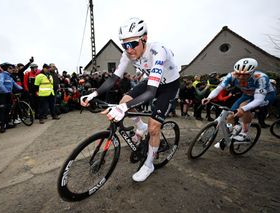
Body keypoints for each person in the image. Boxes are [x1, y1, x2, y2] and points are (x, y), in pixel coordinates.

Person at [80, 17, 180, 182]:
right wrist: (94, 94)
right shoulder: (127, 53)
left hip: (168, 86)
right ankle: (140, 128)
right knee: (123, 100)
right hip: (151, 81)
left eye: (132, 44)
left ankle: (149, 164)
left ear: (144, 39)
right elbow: (113, 78)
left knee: (154, 127)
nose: (129, 50)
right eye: (124, 45)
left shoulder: (157, 51)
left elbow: (150, 93)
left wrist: (124, 109)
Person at [202, 58, 276, 146]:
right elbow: (219, 88)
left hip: (266, 96)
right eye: (238, 74)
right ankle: (231, 133)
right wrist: (209, 98)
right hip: (247, 95)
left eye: (244, 75)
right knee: (230, 116)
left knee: (243, 106)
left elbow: (258, 100)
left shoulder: (261, 78)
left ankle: (244, 134)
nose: (240, 77)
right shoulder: (231, 75)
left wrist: (243, 109)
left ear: (252, 73)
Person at [0, 63, 23, 133]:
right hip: (2, 94)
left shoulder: (10, 77)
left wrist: (23, 89)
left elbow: (15, 85)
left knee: (8, 109)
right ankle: (2, 126)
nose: (13, 69)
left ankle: (7, 124)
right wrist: (6, 91)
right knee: (3, 110)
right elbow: (0, 84)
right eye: (11, 68)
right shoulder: (1, 75)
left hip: (8, 94)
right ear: (7, 69)